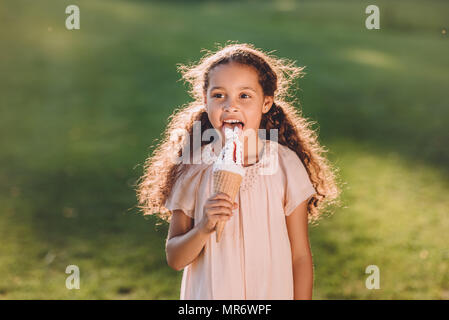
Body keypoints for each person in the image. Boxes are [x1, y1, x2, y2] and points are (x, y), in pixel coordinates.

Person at [136, 42, 341, 299]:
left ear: (266, 102)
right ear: (205, 99)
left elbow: (299, 255)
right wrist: (204, 227)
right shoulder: (191, 168)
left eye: (244, 96)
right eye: (219, 95)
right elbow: (175, 259)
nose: (230, 106)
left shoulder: (286, 164)